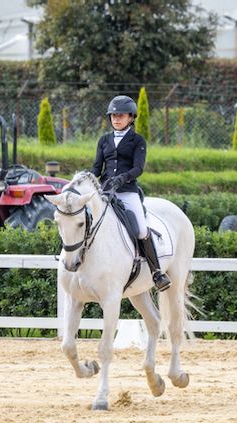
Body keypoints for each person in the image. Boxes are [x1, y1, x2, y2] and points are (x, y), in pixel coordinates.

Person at [91, 95, 170, 292]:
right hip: (105, 192)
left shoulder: (137, 140)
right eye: (113, 115)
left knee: (141, 230)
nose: (116, 119)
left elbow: (138, 168)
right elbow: (96, 168)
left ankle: (157, 272)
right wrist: (88, 181)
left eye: (121, 115)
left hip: (127, 192)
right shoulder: (104, 140)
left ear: (131, 117)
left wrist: (122, 178)